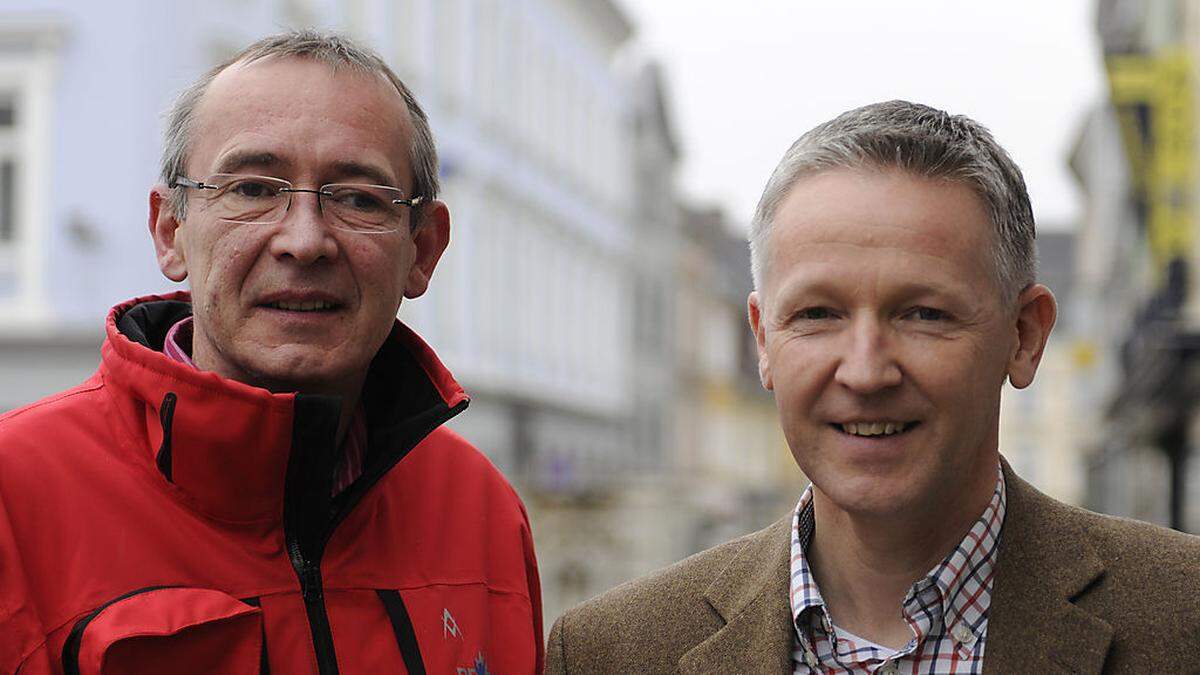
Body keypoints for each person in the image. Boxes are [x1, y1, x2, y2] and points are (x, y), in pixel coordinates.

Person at [546, 101, 1200, 673]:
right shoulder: (613, 651)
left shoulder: (1182, 617)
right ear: (763, 340)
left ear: (1025, 336)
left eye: (924, 314)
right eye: (817, 314)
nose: (864, 371)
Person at [0, 31, 542, 675]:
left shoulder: (479, 509)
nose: (305, 241)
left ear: (422, 251)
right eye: (253, 189)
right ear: (170, 231)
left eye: (358, 198)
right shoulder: (16, 499)